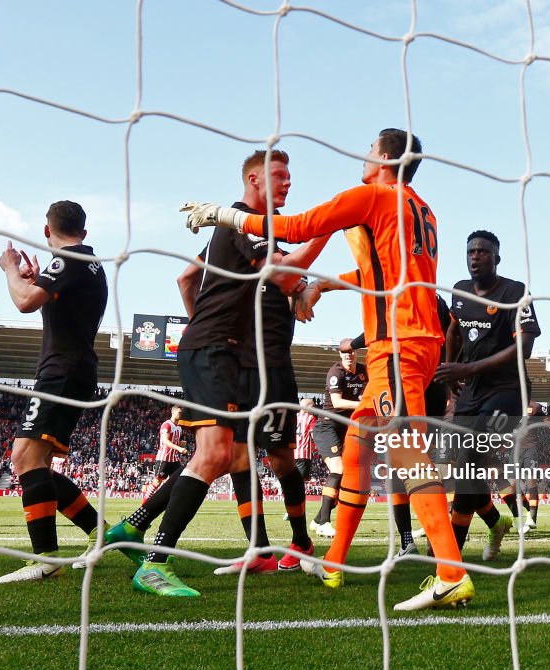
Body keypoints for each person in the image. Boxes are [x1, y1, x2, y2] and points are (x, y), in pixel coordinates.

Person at [183, 128, 471, 610]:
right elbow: (386, 274)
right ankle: (334, 563)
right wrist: (325, 287)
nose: (362, 156)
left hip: (397, 344)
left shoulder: (373, 196)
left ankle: (450, 572)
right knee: (358, 447)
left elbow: (295, 227)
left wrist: (221, 214)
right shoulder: (423, 209)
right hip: (413, 343)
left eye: (368, 150)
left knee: (405, 451)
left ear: (383, 157)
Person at [120, 149, 328, 597]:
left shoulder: (240, 228)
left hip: (226, 353)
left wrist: (205, 328)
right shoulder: (240, 220)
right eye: (279, 176)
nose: (288, 183)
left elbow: (186, 279)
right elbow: (287, 278)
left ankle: (257, 549)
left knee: (232, 457)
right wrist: (329, 227)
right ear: (254, 180)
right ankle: (155, 561)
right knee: (216, 455)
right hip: (220, 353)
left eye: (290, 176)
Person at [0, 200, 109, 584]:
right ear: (85, 231)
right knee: (35, 462)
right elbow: (49, 296)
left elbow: (25, 302)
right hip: (74, 370)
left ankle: (45, 558)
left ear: (47, 231)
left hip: (62, 371)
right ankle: (99, 532)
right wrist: (35, 277)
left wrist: (11, 270)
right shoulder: (88, 263)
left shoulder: (69, 261)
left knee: (24, 457)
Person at [436, 230, 541, 561]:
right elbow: (453, 327)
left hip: (507, 392)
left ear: (497, 257)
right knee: (467, 468)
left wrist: (466, 370)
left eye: (483, 251)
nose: (475, 256)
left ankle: (449, 556)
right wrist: (451, 368)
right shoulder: (460, 291)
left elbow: (524, 346)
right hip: (471, 393)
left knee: (470, 460)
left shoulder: (515, 293)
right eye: (470, 252)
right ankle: (496, 523)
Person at [343, 292, 452, 558]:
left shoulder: (399, 289)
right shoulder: (437, 299)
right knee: (424, 463)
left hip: (407, 380)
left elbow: (384, 326)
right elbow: (450, 333)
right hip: (434, 383)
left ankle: (419, 544)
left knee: (402, 464)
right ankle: (441, 543)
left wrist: (353, 343)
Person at [309, 346, 367, 539]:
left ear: (356, 353)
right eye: (344, 353)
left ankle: (318, 519)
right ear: (340, 355)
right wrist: (364, 404)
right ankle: (324, 522)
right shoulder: (336, 372)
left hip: (346, 429)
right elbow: (337, 403)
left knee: (347, 476)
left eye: (351, 352)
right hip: (327, 427)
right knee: (338, 470)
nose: (348, 356)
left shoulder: (363, 371)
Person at [512, 401, 550, 532]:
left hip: (530, 449)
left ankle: (532, 518)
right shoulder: (509, 403)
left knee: (531, 482)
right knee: (511, 486)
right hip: (514, 450)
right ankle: (529, 507)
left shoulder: (536, 407)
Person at [142, 406, 188, 501]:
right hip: (164, 458)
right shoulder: (167, 425)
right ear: (173, 413)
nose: (181, 414)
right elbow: (165, 441)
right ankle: (145, 501)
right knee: (157, 481)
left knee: (178, 480)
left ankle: (171, 501)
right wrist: (179, 448)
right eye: (179, 413)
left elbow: (172, 441)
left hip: (174, 459)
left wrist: (180, 443)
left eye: (181, 413)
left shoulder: (179, 427)